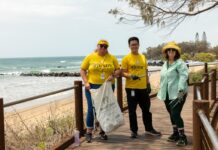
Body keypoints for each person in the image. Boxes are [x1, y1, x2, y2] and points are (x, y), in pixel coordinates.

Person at [80, 40, 120, 143]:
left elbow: (118, 70)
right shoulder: (90, 57)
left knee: (104, 109)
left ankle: (102, 131)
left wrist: (113, 75)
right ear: (97, 46)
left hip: (107, 86)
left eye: (105, 47)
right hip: (92, 86)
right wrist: (86, 82)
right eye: (101, 46)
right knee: (91, 108)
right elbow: (82, 70)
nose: (103, 48)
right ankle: (89, 132)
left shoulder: (112, 57)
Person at [121, 37, 161, 138]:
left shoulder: (143, 57)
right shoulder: (126, 58)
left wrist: (148, 84)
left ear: (138, 45)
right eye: (132, 44)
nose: (134, 46)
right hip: (131, 89)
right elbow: (122, 72)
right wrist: (130, 76)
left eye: (136, 44)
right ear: (129, 46)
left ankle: (149, 129)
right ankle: (134, 131)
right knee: (132, 111)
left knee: (146, 110)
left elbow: (145, 72)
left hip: (143, 88)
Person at [157, 42, 189, 146]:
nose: (171, 52)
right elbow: (163, 78)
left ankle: (183, 137)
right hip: (166, 94)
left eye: (173, 50)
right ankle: (175, 133)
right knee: (171, 113)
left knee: (175, 113)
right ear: (166, 53)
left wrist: (180, 91)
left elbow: (183, 76)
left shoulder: (180, 63)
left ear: (176, 52)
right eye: (168, 50)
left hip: (179, 93)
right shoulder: (165, 64)